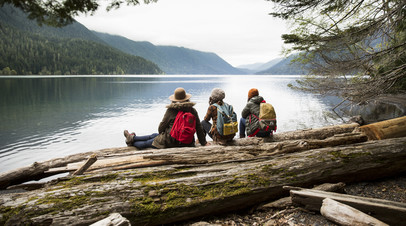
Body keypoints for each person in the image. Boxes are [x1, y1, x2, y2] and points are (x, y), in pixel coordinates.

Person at [124, 87, 207, 149]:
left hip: (170, 142)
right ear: (186, 99)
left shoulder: (171, 110)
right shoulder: (192, 111)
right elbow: (199, 128)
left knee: (147, 143)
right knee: (154, 135)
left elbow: (160, 128)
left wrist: (165, 133)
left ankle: (131, 142)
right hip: (187, 143)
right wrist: (204, 142)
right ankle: (132, 137)